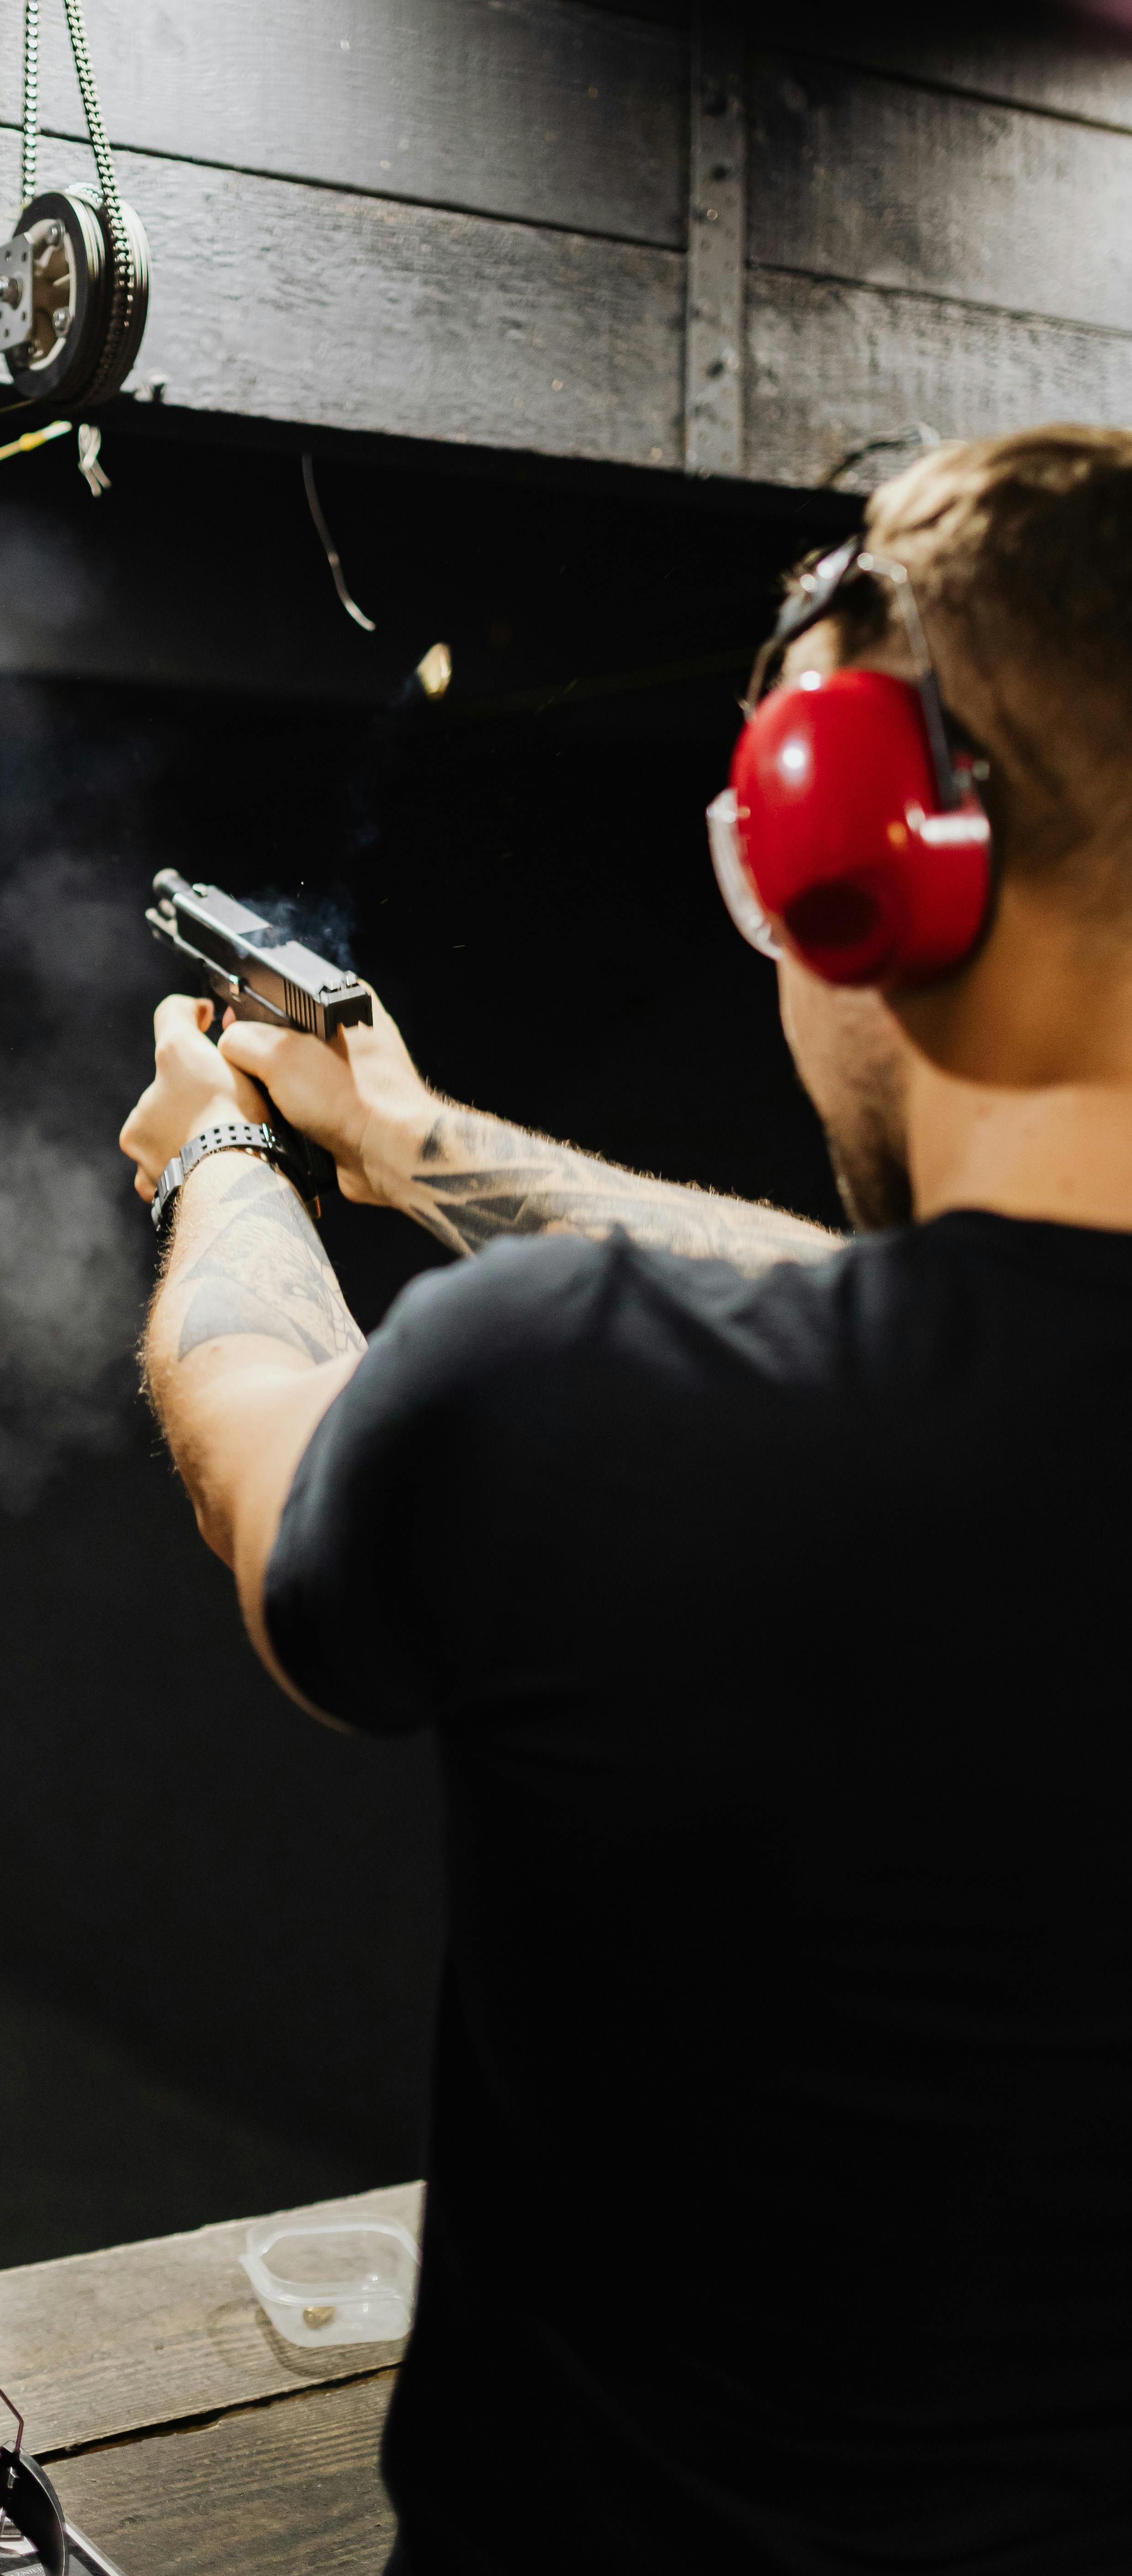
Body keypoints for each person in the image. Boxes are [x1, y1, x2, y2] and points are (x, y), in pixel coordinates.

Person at [119, 426, 1132, 2574]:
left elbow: (252, 1437)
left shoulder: (560, 1399)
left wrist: (217, 1157)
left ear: (859, 849)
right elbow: (932, 1322)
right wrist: (402, 1138)